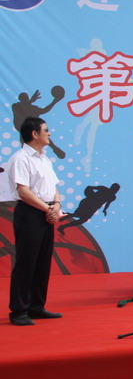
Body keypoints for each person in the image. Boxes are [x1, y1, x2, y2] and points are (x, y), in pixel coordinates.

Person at [7, 117, 63, 326]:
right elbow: (23, 191)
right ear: (34, 133)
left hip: (47, 213)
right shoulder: (21, 158)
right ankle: (19, 310)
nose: (49, 134)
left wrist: (56, 205)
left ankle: (36, 307)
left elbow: (54, 186)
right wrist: (47, 209)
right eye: (45, 130)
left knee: (42, 262)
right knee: (26, 262)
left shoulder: (44, 159)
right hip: (30, 213)